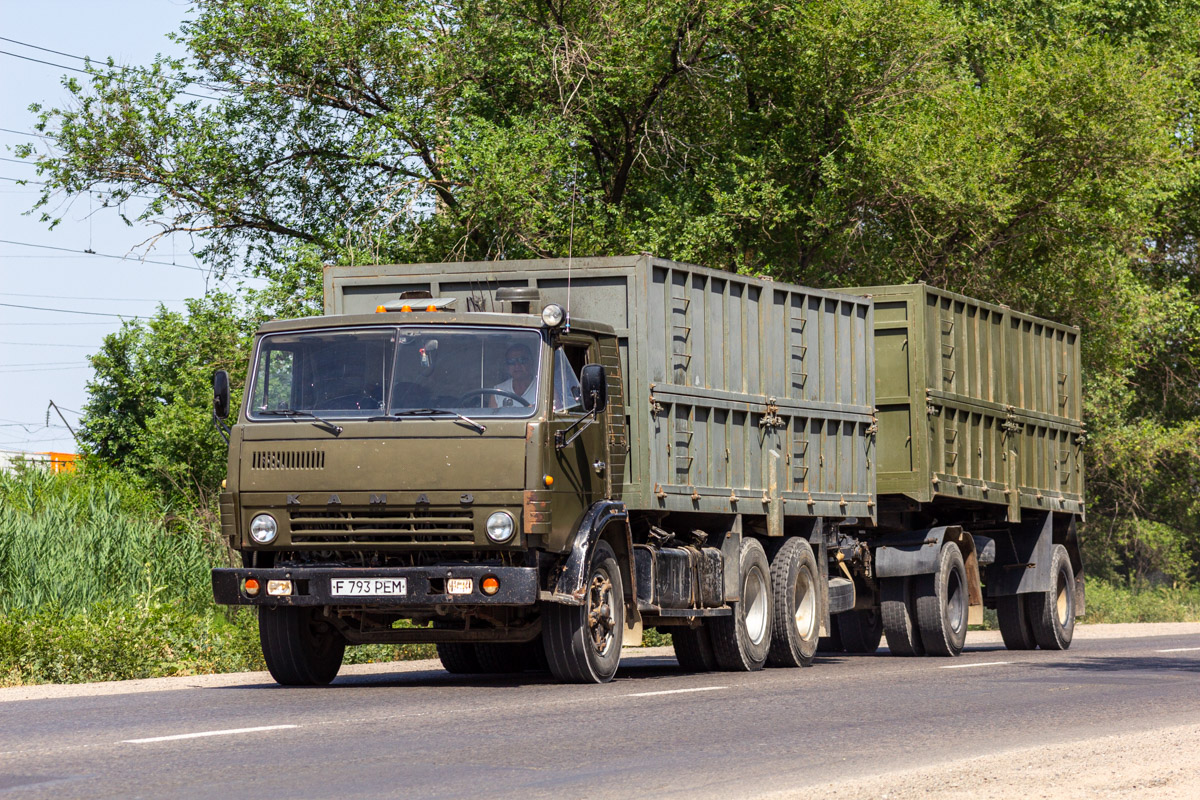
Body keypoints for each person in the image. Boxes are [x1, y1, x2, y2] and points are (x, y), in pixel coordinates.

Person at [488, 343, 537, 407]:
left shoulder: (543, 388)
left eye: (522, 360)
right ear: (507, 366)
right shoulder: (498, 391)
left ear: (531, 362)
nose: (517, 365)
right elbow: (492, 416)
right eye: (511, 361)